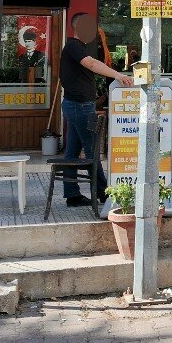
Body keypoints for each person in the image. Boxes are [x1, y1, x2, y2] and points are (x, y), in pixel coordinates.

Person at [60, 12, 133, 207]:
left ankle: (72, 195)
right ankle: (104, 194)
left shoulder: (79, 48)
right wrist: (118, 75)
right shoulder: (73, 46)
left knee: (72, 152)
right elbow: (92, 64)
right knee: (92, 151)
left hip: (77, 105)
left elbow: (95, 62)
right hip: (79, 106)